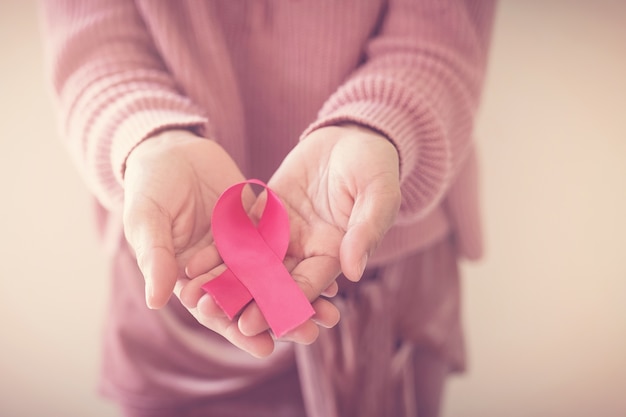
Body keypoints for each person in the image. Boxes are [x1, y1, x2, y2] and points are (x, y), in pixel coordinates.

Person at [40, 1, 495, 416]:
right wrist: (148, 137)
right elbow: (91, 42)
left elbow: (442, 34)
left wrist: (376, 126)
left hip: (378, 267)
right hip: (181, 251)